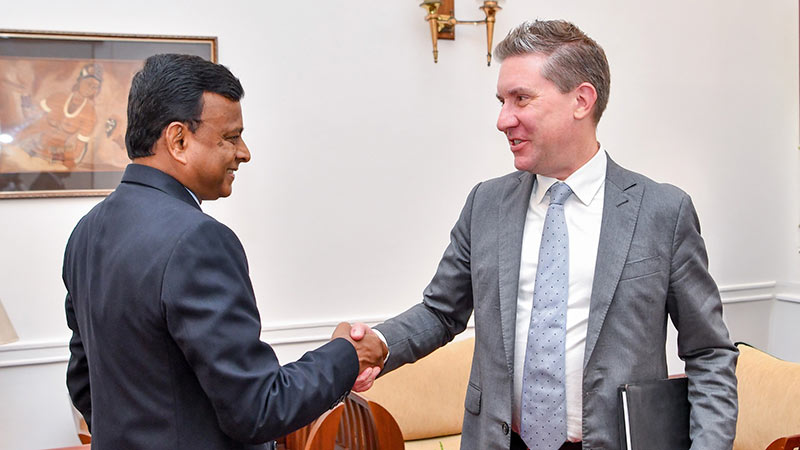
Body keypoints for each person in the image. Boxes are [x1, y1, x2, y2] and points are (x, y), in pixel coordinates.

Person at [350, 20, 738, 450]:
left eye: (521, 99)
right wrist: (377, 345)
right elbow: (441, 312)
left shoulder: (663, 212)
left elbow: (709, 354)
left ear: (581, 100)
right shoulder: (486, 204)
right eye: (501, 101)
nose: (502, 119)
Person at [63, 54, 386, 450]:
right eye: (231, 137)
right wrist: (346, 355)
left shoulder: (86, 231)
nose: (244, 152)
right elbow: (259, 409)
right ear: (179, 140)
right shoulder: (198, 239)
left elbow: (84, 382)